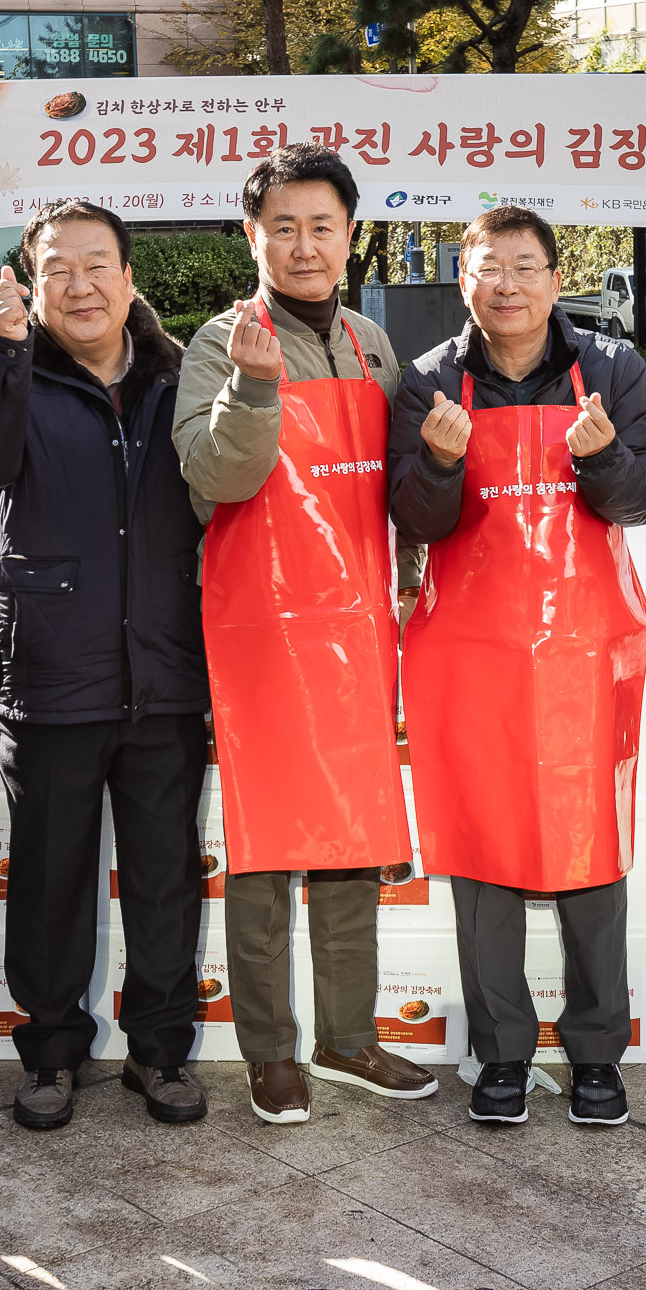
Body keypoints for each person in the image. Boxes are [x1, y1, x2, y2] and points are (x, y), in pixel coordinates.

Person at [174, 144, 438, 1123]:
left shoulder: (372, 344)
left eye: (320, 225)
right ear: (253, 237)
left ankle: (347, 1034)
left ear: (347, 234)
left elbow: (401, 486)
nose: (303, 244)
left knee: (351, 836)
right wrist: (250, 389)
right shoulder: (220, 340)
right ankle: (270, 1050)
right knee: (265, 843)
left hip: (360, 623)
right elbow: (216, 479)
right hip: (261, 629)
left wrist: (411, 584)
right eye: (281, 226)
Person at [389, 205, 646, 1126]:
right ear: (463, 278)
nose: (506, 283)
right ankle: (500, 1053)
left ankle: (596, 1053)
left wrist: (604, 458)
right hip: (470, 656)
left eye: (524, 266)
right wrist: (434, 464)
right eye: (487, 267)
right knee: (482, 854)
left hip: (585, 653)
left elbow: (643, 496)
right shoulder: (429, 380)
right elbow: (417, 523)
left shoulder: (614, 368)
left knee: (592, 852)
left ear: (554, 278)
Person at [0, 200, 212, 1131]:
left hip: (168, 673)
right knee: (51, 882)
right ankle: (51, 1052)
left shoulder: (184, 377)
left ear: (130, 277)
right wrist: (10, 351)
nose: (80, 283)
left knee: (163, 877)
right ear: (29, 279)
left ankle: (159, 1052)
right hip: (50, 676)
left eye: (98, 263)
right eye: (57, 266)